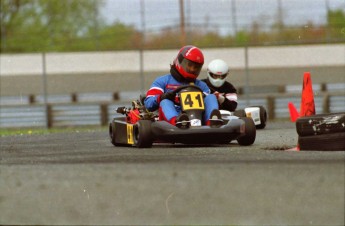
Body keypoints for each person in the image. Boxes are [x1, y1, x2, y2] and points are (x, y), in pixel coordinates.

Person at [144, 45, 221, 128]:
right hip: (171, 122)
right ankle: (178, 122)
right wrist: (162, 97)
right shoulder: (163, 81)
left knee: (211, 97)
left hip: (198, 118)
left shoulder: (201, 86)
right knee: (165, 102)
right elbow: (148, 103)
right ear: (180, 61)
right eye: (189, 65)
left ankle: (212, 123)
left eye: (196, 67)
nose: (192, 69)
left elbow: (209, 103)